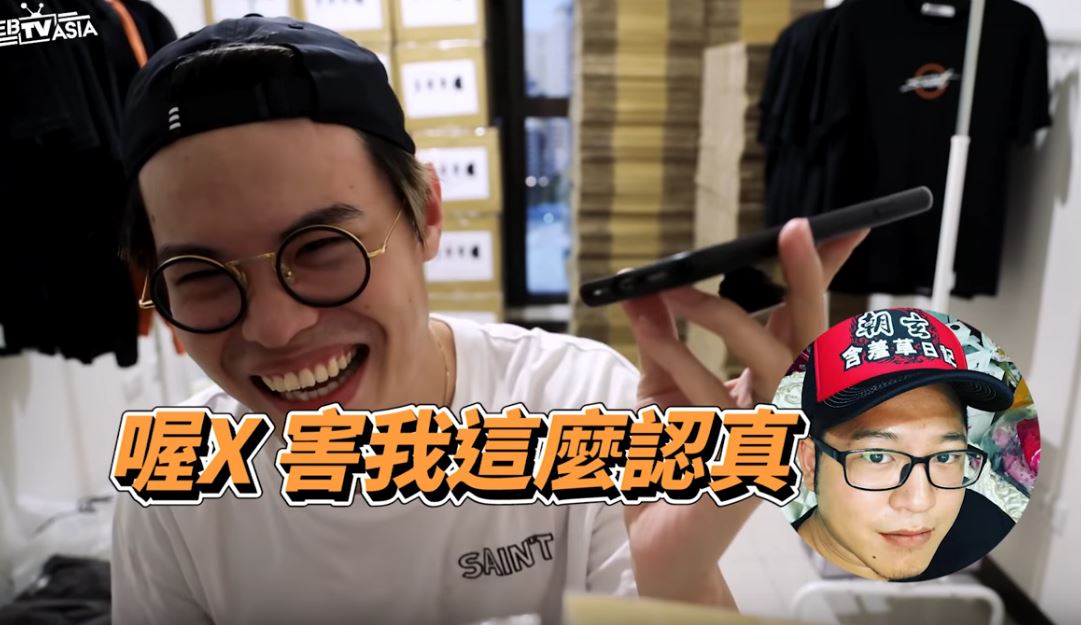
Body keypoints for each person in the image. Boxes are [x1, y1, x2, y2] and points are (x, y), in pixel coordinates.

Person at [110, 15, 868, 625]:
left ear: (426, 215)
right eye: (201, 276)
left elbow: (668, 576)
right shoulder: (177, 483)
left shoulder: (582, 408)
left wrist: (679, 582)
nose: (275, 329)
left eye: (320, 248)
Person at [791, 308, 1016, 582]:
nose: (920, 501)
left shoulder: (986, 527)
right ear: (811, 463)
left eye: (945, 457)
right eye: (877, 457)